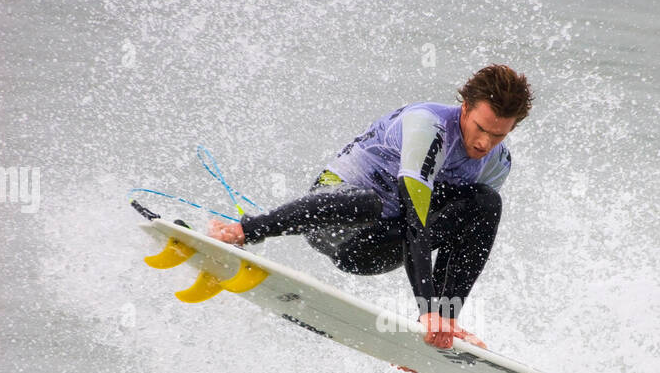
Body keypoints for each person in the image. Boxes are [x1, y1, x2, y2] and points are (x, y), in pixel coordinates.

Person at [208, 63, 533, 351]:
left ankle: (446, 324)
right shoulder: (428, 126)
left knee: (485, 204)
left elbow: (459, 237)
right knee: (369, 202)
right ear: (465, 107)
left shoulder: (497, 163)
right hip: (333, 224)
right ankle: (243, 230)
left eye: (497, 135)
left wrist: (436, 322)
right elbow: (415, 221)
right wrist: (426, 309)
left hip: (378, 248)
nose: (484, 143)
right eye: (480, 128)